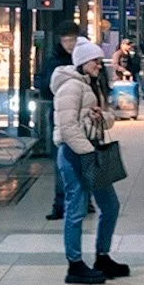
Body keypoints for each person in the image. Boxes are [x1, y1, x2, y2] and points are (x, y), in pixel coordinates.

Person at [52, 39, 129, 285]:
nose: (99, 64)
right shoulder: (70, 87)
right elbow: (67, 128)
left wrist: (100, 116)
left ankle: (102, 256)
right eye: (95, 61)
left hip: (89, 151)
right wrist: (87, 153)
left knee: (110, 205)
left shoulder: (89, 85)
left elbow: (107, 120)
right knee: (76, 209)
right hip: (75, 154)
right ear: (83, 62)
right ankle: (74, 265)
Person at [37, 20, 80, 221]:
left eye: (72, 40)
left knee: (83, 159)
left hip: (81, 115)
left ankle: (82, 199)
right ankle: (60, 203)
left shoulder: (84, 59)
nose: (69, 44)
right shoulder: (53, 61)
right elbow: (45, 88)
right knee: (61, 161)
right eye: (66, 40)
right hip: (60, 117)